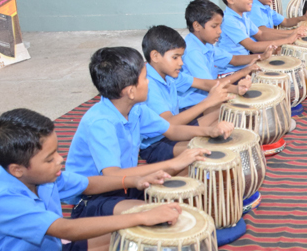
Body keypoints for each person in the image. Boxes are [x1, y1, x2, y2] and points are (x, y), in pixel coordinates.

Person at [0, 108, 183, 251]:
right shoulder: (2, 199)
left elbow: (86, 184)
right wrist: (141, 216)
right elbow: (66, 229)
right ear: (17, 169)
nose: (59, 160)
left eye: (56, 151)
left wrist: (134, 181)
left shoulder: (40, 175)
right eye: (49, 158)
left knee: (130, 238)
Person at [64, 46, 217, 218]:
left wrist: (209, 131)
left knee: (191, 174)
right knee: (161, 213)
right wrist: (173, 163)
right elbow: (112, 175)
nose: (148, 82)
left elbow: (172, 130)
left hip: (128, 184)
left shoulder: (136, 109)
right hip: (95, 197)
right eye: (144, 78)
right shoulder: (100, 123)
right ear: (130, 91)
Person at [141, 25, 236, 165]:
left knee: (226, 110)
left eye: (181, 56)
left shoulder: (170, 74)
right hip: (156, 144)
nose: (181, 62)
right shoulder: (147, 84)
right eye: (175, 57)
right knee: (212, 149)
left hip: (176, 129)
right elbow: (169, 125)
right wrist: (208, 102)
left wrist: (237, 89)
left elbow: (204, 84)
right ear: (155, 56)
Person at [178, 0, 269, 112]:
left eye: (220, 26)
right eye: (214, 26)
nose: (219, 31)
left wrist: (261, 57)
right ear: (197, 26)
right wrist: (237, 85)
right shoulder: (193, 52)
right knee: (240, 110)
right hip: (193, 104)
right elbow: (209, 85)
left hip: (209, 93)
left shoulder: (206, 45)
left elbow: (234, 59)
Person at [217, 0, 301, 75]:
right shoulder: (229, 21)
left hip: (245, 66)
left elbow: (261, 35)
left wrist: (289, 37)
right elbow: (252, 46)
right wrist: (287, 39)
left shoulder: (243, 16)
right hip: (230, 72)